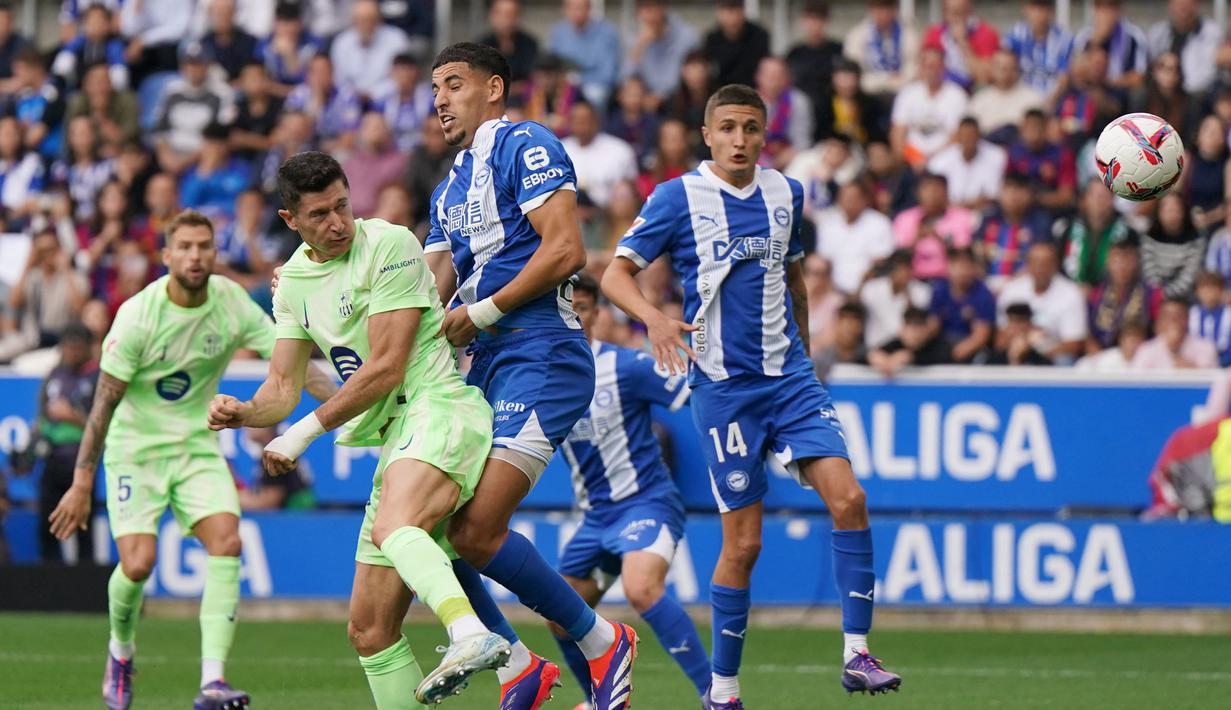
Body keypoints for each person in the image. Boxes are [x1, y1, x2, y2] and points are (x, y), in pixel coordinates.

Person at [601, 83, 902, 707]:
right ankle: (724, 690)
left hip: (790, 380)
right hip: (724, 390)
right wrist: (654, 318)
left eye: (751, 128)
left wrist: (808, 359)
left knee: (850, 498)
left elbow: (792, 275)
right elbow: (614, 273)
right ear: (707, 135)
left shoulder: (787, 193)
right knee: (745, 544)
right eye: (728, 127)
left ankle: (856, 654)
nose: (740, 139)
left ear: (765, 135)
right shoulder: (677, 197)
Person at [209, 153, 513, 707]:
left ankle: (470, 633)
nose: (337, 223)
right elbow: (282, 384)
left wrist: (299, 434)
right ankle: (496, 648)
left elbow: (387, 367)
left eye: (343, 205)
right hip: (399, 440)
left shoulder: (390, 244)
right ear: (289, 219)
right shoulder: (293, 283)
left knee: (394, 525)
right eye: (320, 214)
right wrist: (246, 413)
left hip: (439, 409)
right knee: (369, 629)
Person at [46, 210, 336, 710]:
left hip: (196, 447)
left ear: (214, 252)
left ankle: (213, 683)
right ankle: (120, 650)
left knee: (226, 541)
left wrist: (343, 404)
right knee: (137, 566)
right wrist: (80, 480)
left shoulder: (228, 303)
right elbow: (104, 404)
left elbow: (291, 365)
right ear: (167, 256)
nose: (196, 256)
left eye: (204, 246)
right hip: (136, 451)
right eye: (184, 247)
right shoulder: (138, 316)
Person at [424, 42, 638, 709]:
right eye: (434, 89)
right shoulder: (446, 190)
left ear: (493, 88)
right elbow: (429, 295)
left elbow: (567, 249)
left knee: (476, 529)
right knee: (436, 525)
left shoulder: (527, 144)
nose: (440, 99)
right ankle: (519, 666)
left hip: (543, 351)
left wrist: (477, 310)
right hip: (488, 361)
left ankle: (603, 642)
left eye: (453, 84)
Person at [549, 275, 711, 706]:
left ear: (597, 314)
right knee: (561, 618)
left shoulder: (625, 366)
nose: (575, 315)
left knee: (641, 589)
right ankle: (599, 701)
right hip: (594, 518)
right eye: (567, 307)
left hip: (647, 502)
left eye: (583, 307)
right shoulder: (547, 381)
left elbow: (693, 391)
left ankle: (716, 695)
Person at [33, 323, 97, 564]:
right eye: (68, 348)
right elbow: (42, 414)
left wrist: (72, 416)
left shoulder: (97, 377)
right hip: (52, 460)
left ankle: (84, 586)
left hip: (81, 462)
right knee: (48, 524)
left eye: (76, 348)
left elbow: (102, 423)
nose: (71, 353)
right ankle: (52, 585)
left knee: (82, 526)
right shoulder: (54, 374)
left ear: (86, 349)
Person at [997, 241, 1088, 363]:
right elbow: (1000, 339)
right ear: (1028, 265)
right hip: (1016, 348)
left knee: (1064, 360)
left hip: (1052, 353)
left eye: (1045, 264)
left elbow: (1074, 344)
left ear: (1056, 265)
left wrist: (1037, 351)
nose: (1040, 269)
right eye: (1036, 263)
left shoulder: (1071, 293)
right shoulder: (1012, 290)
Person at [889, 47, 966, 168]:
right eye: (925, 66)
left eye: (934, 66)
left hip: (945, 160)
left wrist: (932, 160)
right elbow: (898, 133)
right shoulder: (907, 93)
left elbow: (956, 137)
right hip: (911, 160)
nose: (930, 71)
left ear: (943, 68)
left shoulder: (957, 95)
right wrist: (913, 157)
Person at [892, 172, 975, 281]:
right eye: (927, 189)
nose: (932, 194)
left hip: (948, 281)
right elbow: (897, 257)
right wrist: (916, 239)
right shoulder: (904, 218)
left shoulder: (962, 217)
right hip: (912, 280)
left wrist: (939, 238)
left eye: (937, 189)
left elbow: (963, 255)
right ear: (918, 192)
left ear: (946, 192)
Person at [815, 181, 893, 295]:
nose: (848, 201)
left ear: (864, 200)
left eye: (852, 198)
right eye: (844, 197)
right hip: (833, 289)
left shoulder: (879, 223)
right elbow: (824, 260)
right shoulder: (828, 224)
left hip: (869, 288)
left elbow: (881, 261)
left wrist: (859, 289)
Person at [1056, 180, 1137, 287]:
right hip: (1071, 292)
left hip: (1110, 293)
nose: (1100, 200)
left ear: (1113, 200)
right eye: (1095, 195)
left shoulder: (1127, 233)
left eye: (1105, 195)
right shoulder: (1068, 230)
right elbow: (1059, 268)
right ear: (1083, 201)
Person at [561, 100, 639, 209]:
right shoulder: (559, 150)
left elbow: (631, 189)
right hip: (569, 214)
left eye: (585, 120)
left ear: (596, 121)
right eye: (577, 120)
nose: (581, 125)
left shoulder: (620, 149)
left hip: (607, 215)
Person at [1087, 240, 1161, 352]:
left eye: (1127, 260)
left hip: (1140, 355)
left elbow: (1159, 332)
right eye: (1116, 260)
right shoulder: (1096, 293)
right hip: (1103, 356)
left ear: (1136, 262)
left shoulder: (1152, 294)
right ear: (1108, 262)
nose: (1122, 266)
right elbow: (1087, 331)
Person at [330, 0, 411, 101]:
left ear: (379, 20)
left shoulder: (397, 39)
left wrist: (372, 94)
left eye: (370, 20)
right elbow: (338, 79)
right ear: (353, 21)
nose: (365, 25)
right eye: (360, 20)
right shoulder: (341, 43)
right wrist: (354, 94)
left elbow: (401, 78)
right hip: (350, 100)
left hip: (387, 99)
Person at [623, 0, 698, 108]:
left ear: (664, 8)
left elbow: (686, 76)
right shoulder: (634, 39)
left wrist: (661, 95)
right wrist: (639, 46)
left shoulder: (686, 37)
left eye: (654, 6)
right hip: (644, 100)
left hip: (677, 98)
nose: (650, 14)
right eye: (645, 8)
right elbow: (625, 78)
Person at [548, 0, 621, 109]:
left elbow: (608, 73)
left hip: (594, 85)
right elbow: (552, 65)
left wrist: (579, 80)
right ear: (564, 10)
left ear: (589, 9)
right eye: (572, 8)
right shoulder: (558, 32)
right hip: (563, 86)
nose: (576, 12)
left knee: (595, 95)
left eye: (580, 8)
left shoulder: (606, 32)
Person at [929, 246, 994, 363]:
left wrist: (950, 356)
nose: (962, 272)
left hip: (969, 348)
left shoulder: (983, 295)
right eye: (957, 266)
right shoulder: (940, 290)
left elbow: (980, 337)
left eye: (967, 267)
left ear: (974, 268)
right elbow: (933, 325)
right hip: (944, 343)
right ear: (948, 267)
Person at [926, 117, 1006, 211]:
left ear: (979, 135)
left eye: (972, 135)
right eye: (964, 135)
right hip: (949, 212)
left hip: (983, 211)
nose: (968, 140)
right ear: (958, 136)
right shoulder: (940, 161)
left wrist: (968, 206)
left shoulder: (997, 156)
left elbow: (994, 196)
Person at [842, 0, 918, 98]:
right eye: (879, 9)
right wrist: (886, 79)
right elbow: (854, 74)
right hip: (868, 95)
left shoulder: (908, 34)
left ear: (895, 10)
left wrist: (900, 81)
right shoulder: (856, 36)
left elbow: (914, 69)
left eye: (888, 9)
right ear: (870, 11)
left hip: (903, 94)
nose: (883, 14)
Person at [967, 50, 1045, 145]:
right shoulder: (980, 99)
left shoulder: (1032, 98)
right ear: (992, 70)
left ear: (1017, 70)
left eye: (1011, 68)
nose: (1007, 73)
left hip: (1018, 153)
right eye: (1002, 68)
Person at [860, 248, 932, 349]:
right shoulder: (872, 288)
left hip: (906, 350)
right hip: (875, 349)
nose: (902, 271)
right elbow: (852, 309)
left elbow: (916, 324)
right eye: (898, 266)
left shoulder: (922, 291)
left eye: (906, 267)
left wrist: (906, 293)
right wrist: (863, 280)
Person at [921, 0, 1000, 90]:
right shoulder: (934, 33)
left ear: (970, 10)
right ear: (944, 12)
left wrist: (963, 42)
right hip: (941, 91)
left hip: (972, 91)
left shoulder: (986, 33)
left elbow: (984, 78)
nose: (956, 18)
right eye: (952, 12)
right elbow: (924, 72)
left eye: (961, 12)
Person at [1147, 0, 1220, 95]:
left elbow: (1209, 70)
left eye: (1188, 4)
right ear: (1170, 5)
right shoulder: (1158, 32)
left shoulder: (1211, 31)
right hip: (1162, 90)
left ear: (1196, 5)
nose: (1183, 8)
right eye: (1179, 4)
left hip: (1197, 91)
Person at [1005, 0, 1075, 98]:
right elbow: (1005, 69)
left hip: (1054, 101)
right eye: (1034, 7)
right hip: (1019, 99)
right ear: (1025, 9)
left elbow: (1064, 78)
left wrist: (1048, 104)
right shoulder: (1015, 34)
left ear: (1051, 10)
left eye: (1042, 8)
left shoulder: (1064, 38)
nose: (1038, 13)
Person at [1073, 0, 1148, 91]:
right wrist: (1096, 41)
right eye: (1099, 5)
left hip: (1120, 91)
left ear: (1120, 8)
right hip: (1091, 90)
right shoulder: (1084, 36)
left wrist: (1109, 82)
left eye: (1112, 5)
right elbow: (1076, 71)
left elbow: (1139, 76)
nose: (1105, 10)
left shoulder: (1133, 36)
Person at [1133, 297, 1219, 370]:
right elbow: (1136, 384)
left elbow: (1214, 384)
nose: (1173, 320)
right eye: (1167, 316)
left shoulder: (1206, 348)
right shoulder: (1146, 350)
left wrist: (1192, 370)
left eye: (1178, 316)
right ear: (1159, 321)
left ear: (1187, 319)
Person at [702, 0, 770, 88]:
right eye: (727, 11)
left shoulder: (759, 36)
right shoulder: (712, 39)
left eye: (735, 11)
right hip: (721, 91)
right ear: (718, 13)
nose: (732, 18)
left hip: (753, 90)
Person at [868, 306, 952, 376]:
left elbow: (943, 358)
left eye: (918, 326)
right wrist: (877, 358)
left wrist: (911, 358)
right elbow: (873, 354)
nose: (913, 332)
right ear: (902, 329)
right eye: (909, 326)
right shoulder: (896, 343)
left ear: (927, 329)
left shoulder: (939, 346)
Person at [477, 0, 538, 89]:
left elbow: (532, 81)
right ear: (491, 15)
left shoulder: (530, 44)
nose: (506, 19)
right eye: (501, 14)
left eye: (512, 14)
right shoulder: (481, 46)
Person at [987, 302, 1053, 366]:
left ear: (1029, 324)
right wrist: (1014, 356)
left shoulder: (1040, 359)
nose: (1018, 327)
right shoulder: (995, 358)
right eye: (1014, 321)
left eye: (1022, 321)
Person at [1189, 271, 1231, 366]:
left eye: (1213, 287)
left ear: (1221, 290)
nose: (1208, 292)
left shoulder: (1228, 314)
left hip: (1225, 366)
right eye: (1203, 288)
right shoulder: (1192, 314)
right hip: (1195, 366)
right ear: (1197, 291)